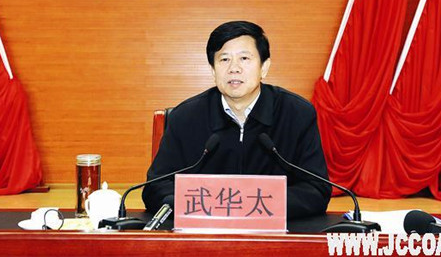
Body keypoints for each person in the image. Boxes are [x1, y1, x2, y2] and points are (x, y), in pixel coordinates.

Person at [142, 21, 331, 219]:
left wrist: (252, 206)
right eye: (224, 59)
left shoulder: (296, 114)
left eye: (244, 58)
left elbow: (316, 189)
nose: (234, 68)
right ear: (213, 70)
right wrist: (210, 206)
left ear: (264, 67)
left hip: (275, 231)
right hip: (204, 230)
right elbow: (155, 187)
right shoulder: (185, 117)